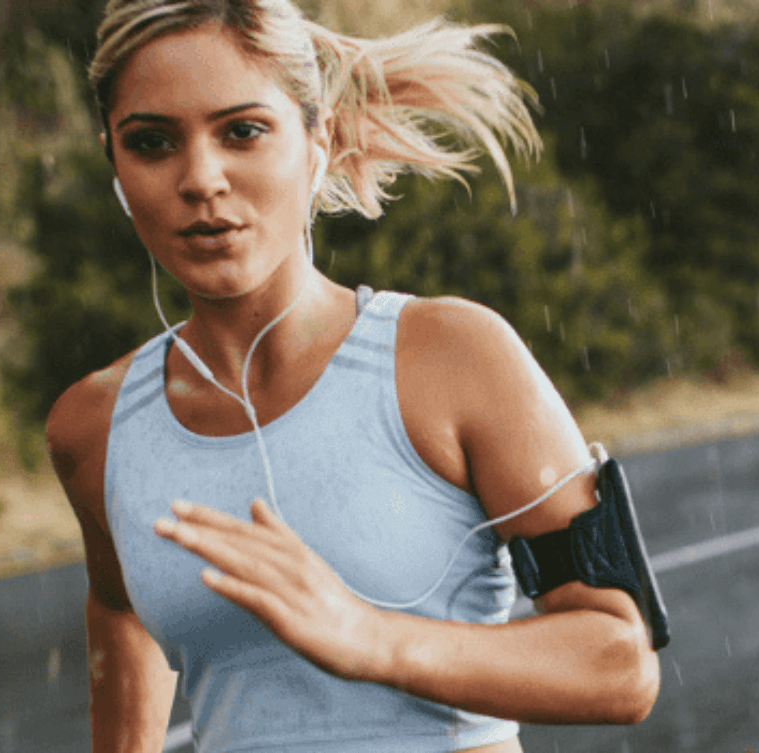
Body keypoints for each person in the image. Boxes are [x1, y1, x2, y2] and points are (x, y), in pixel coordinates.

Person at [43, 1, 660, 751]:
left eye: (242, 130)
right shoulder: (96, 428)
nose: (201, 178)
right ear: (114, 164)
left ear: (317, 140)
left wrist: (367, 636)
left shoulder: (451, 357)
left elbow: (620, 662)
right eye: (152, 142)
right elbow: (120, 607)